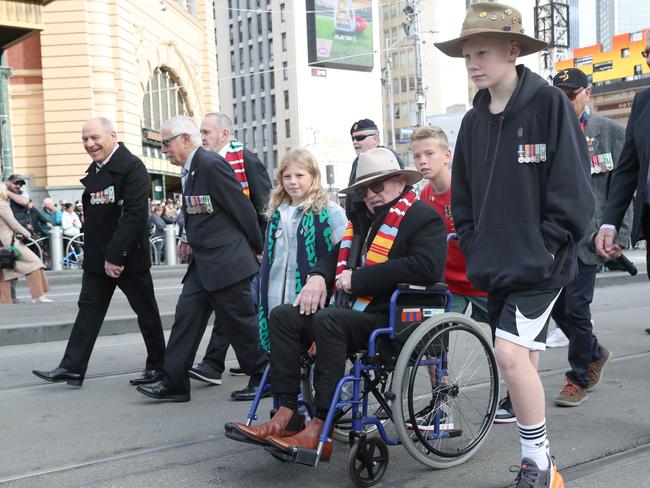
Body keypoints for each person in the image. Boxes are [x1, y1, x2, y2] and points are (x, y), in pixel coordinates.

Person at [435, 3, 594, 486]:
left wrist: (546, 246)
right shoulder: (473, 121)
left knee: (507, 355)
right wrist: (472, 241)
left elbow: (575, 192)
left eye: (481, 52)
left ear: (513, 50)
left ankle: (539, 465)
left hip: (541, 264)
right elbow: (460, 195)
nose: (473, 63)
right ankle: (542, 460)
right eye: (466, 55)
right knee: (521, 358)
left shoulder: (548, 105)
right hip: (493, 264)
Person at [226, 147, 446, 461]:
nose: (370, 195)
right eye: (364, 189)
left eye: (377, 186)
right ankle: (287, 413)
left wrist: (359, 279)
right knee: (283, 317)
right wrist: (318, 276)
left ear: (400, 181)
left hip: (392, 316)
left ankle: (319, 425)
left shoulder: (423, 216)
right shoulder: (363, 220)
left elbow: (426, 267)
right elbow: (335, 255)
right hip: (353, 313)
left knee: (328, 320)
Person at [136, 116, 267, 403]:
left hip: (226, 262)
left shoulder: (209, 164)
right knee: (186, 319)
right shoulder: (191, 169)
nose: (164, 150)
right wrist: (188, 239)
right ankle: (174, 382)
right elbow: (202, 213)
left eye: (166, 144)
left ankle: (264, 375)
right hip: (204, 262)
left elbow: (242, 208)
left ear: (185, 139)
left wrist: (258, 248)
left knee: (241, 325)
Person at [32, 117, 166, 388]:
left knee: (146, 313)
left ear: (113, 136)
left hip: (126, 257)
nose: (89, 144)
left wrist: (116, 256)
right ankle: (71, 367)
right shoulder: (97, 169)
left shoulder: (132, 167)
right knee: (88, 312)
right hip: (98, 259)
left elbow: (134, 217)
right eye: (85, 139)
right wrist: (99, 258)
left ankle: (159, 367)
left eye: (94, 138)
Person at [550, 68, 631, 407]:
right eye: (561, 95)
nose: (566, 102)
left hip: (591, 238)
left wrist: (620, 234)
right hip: (554, 239)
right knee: (557, 310)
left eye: (572, 94)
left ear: (587, 92)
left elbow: (625, 185)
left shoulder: (610, 133)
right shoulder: (549, 132)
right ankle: (594, 352)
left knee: (577, 308)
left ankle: (578, 376)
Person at [189, 111, 273, 391]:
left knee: (238, 308)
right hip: (223, 251)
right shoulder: (204, 162)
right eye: (200, 131)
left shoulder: (246, 160)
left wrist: (260, 247)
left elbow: (261, 205)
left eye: (206, 132)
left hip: (245, 249)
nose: (201, 137)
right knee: (232, 306)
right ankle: (214, 363)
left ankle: (232, 364)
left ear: (225, 134)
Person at [256, 148, 347, 353]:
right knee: (286, 359)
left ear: (313, 177)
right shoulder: (276, 214)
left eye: (299, 175)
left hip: (312, 301)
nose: (292, 181)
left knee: (316, 360)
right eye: (287, 176)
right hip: (275, 300)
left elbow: (343, 255)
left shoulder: (331, 211)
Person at [411, 125, 489, 323]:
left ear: (447, 155)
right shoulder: (424, 196)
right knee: (435, 339)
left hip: (483, 282)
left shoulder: (470, 190)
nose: (423, 161)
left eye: (429, 153)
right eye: (417, 156)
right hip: (449, 286)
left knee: (507, 340)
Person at [596, 36, 650, 305]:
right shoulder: (642, 102)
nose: (648, 59)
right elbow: (627, 169)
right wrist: (610, 223)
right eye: (646, 53)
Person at [0, 182, 52, 303]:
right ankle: (38, 295)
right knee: (35, 262)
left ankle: (5, 300)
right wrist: (27, 234)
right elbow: (13, 224)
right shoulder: (3, 206)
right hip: (10, 242)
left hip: (3, 243)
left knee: (5, 272)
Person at [345, 118, 405, 215]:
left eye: (360, 138)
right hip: (359, 221)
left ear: (375, 139)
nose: (355, 142)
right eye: (353, 138)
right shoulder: (357, 161)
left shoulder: (388, 156)